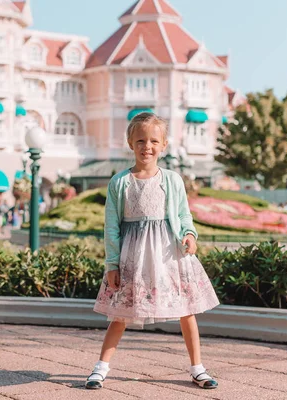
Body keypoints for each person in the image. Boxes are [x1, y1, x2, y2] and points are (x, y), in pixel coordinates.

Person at [86, 113, 220, 390]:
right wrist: (112, 264)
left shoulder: (172, 180)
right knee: (120, 314)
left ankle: (198, 368)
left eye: (153, 141)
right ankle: (100, 368)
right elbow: (111, 227)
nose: (147, 146)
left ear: (164, 145)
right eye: (141, 141)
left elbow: (184, 215)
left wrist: (190, 235)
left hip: (170, 255)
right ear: (130, 143)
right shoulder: (120, 182)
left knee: (187, 311)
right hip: (134, 258)